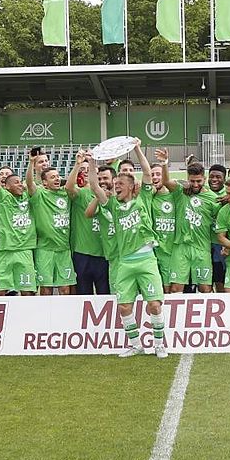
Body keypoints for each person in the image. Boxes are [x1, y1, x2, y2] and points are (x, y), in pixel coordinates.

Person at [86, 139, 167, 358]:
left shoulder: (143, 197)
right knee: (124, 307)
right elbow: (94, 186)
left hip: (146, 260)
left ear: (131, 186)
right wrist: (92, 162)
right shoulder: (113, 204)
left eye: (120, 184)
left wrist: (137, 148)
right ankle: (136, 345)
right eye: (115, 185)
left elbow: (147, 173)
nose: (116, 187)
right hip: (124, 263)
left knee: (154, 305)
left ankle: (159, 344)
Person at [157, 151, 221, 294]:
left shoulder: (212, 198)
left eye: (199, 181)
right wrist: (164, 163)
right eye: (192, 181)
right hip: (180, 247)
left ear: (204, 179)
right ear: (187, 179)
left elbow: (220, 221)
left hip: (202, 248)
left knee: (205, 288)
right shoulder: (181, 191)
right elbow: (166, 182)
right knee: (176, 288)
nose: (195, 184)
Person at [0, 149, 37, 296]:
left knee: (27, 293)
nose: (20, 185)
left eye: (20, 182)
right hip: (5, 252)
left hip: (25, 251)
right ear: (7, 186)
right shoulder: (3, 198)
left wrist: (31, 162)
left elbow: (30, 183)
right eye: (16, 183)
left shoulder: (28, 197)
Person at [27, 156, 78, 295]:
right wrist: (31, 163)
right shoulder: (40, 195)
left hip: (64, 250)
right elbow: (30, 184)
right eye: (52, 177)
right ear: (44, 182)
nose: (57, 179)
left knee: (65, 289)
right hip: (45, 250)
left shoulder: (65, 194)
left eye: (58, 176)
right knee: (46, 289)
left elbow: (71, 184)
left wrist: (77, 164)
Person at [67, 153, 112, 295]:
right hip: (83, 253)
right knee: (84, 293)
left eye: (89, 170)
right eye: (83, 170)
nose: (86, 172)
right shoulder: (82, 193)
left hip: (104, 252)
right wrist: (77, 165)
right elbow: (69, 187)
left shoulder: (112, 196)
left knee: (105, 293)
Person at [149, 163, 176, 293]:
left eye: (158, 174)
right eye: (152, 175)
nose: (155, 177)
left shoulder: (175, 196)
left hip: (172, 251)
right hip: (154, 251)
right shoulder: (149, 198)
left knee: (170, 290)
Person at [207, 163, 228, 292]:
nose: (214, 179)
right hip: (204, 243)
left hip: (222, 244)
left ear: (224, 179)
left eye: (218, 177)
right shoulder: (202, 191)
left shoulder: (229, 194)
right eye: (212, 176)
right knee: (208, 279)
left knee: (222, 277)